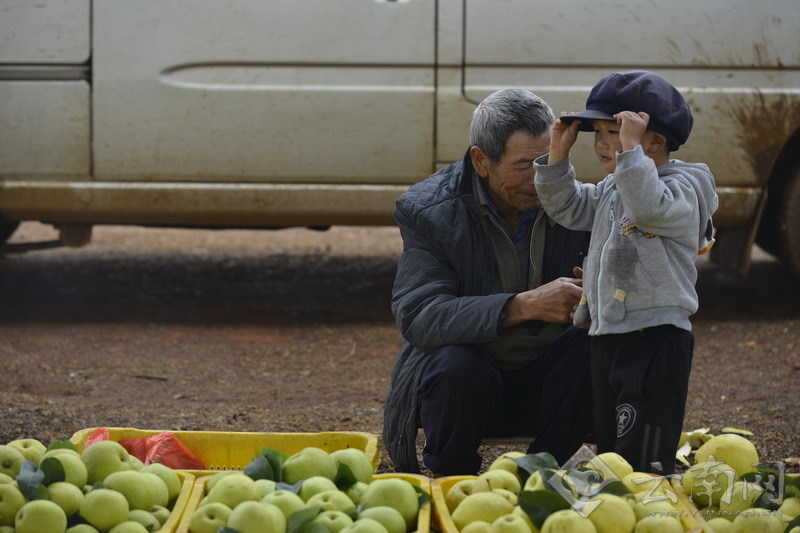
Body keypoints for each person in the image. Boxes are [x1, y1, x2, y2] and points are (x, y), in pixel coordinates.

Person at [382, 88, 594, 476]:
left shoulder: (575, 202)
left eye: (547, 161)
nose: (539, 178)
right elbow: (421, 317)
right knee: (458, 365)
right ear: (481, 161)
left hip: (552, 389)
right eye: (523, 166)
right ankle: (452, 480)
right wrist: (522, 305)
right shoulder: (430, 212)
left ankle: (543, 476)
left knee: (596, 346)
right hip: (470, 389)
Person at [533, 70, 719, 475]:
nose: (601, 143)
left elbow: (649, 206)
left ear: (656, 139)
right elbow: (568, 207)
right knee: (614, 443)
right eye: (596, 132)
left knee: (644, 453)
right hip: (609, 333)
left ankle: (649, 503)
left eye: (614, 131)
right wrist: (557, 158)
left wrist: (630, 153)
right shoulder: (616, 186)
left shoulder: (682, 189)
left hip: (655, 337)